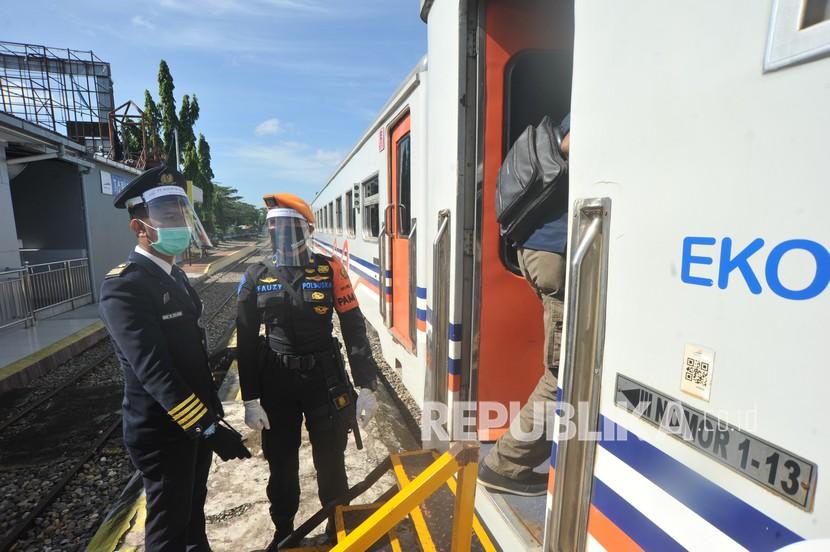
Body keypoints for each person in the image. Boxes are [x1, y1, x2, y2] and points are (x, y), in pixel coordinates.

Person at [100, 165, 251, 551]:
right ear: (139, 227)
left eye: (182, 214)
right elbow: (155, 372)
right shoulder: (125, 287)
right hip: (163, 432)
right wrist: (208, 428)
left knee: (192, 515)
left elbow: (187, 352)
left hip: (192, 425)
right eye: (168, 216)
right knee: (168, 530)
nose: (180, 223)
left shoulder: (174, 275)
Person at [235, 193, 380, 549]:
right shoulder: (255, 275)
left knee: (331, 459)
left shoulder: (331, 270)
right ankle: (284, 530)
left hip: (323, 380)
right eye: (275, 229)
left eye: (289, 228)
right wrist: (250, 398)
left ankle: (338, 526)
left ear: (306, 231)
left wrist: (366, 385)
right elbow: (245, 340)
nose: (281, 235)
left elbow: (353, 326)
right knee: (281, 464)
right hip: (277, 382)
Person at [478, 114, 571, 496]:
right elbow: (574, 144)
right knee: (563, 369)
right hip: (555, 252)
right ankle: (506, 465)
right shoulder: (594, 99)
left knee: (562, 362)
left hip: (541, 249)